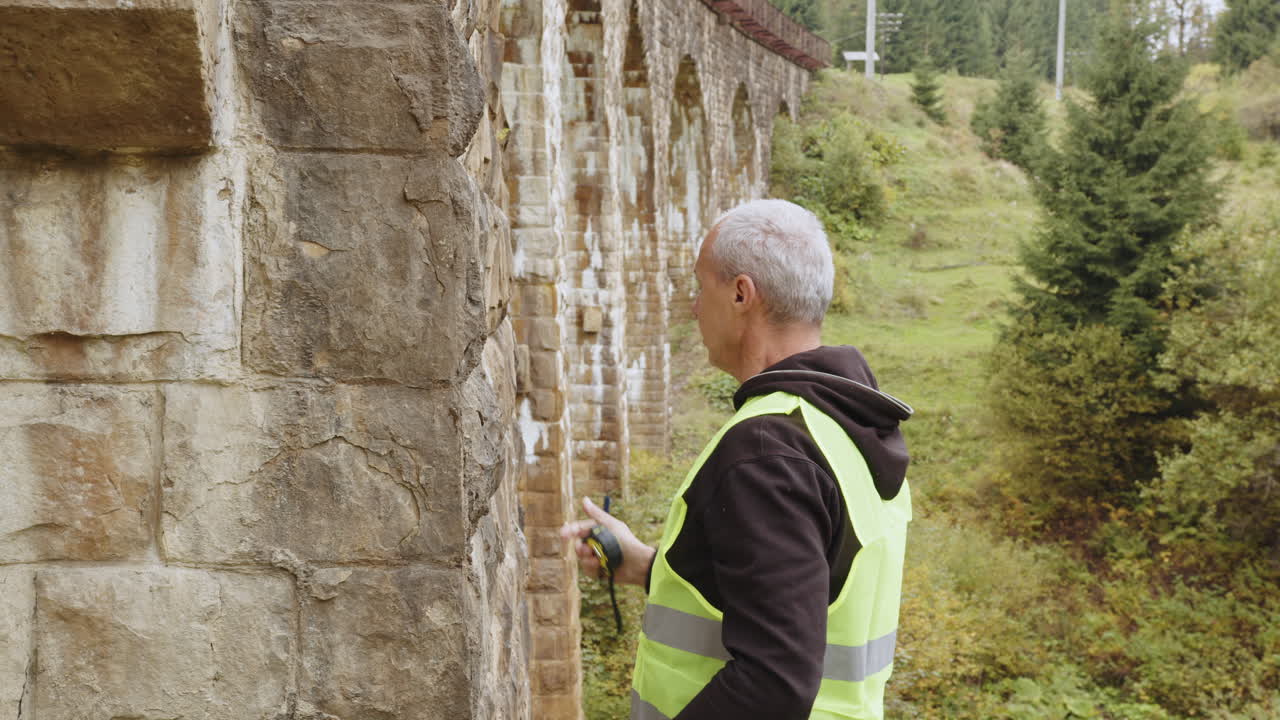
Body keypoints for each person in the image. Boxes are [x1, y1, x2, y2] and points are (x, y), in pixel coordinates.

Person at [560, 199, 913, 720]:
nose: (696, 307)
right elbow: (806, 592)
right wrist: (647, 567)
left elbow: (772, 684)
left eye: (700, 288)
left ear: (742, 294)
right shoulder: (841, 423)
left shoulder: (769, 451)